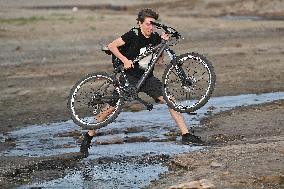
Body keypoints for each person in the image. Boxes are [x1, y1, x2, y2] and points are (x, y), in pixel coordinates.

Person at [80, 8, 203, 156]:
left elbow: (160, 61)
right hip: (129, 76)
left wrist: (163, 43)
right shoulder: (133, 34)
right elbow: (112, 46)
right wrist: (125, 60)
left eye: (152, 24)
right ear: (140, 23)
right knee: (110, 108)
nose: (150, 27)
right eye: (148, 24)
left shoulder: (154, 37)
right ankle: (88, 136)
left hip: (147, 77)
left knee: (171, 100)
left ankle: (186, 135)